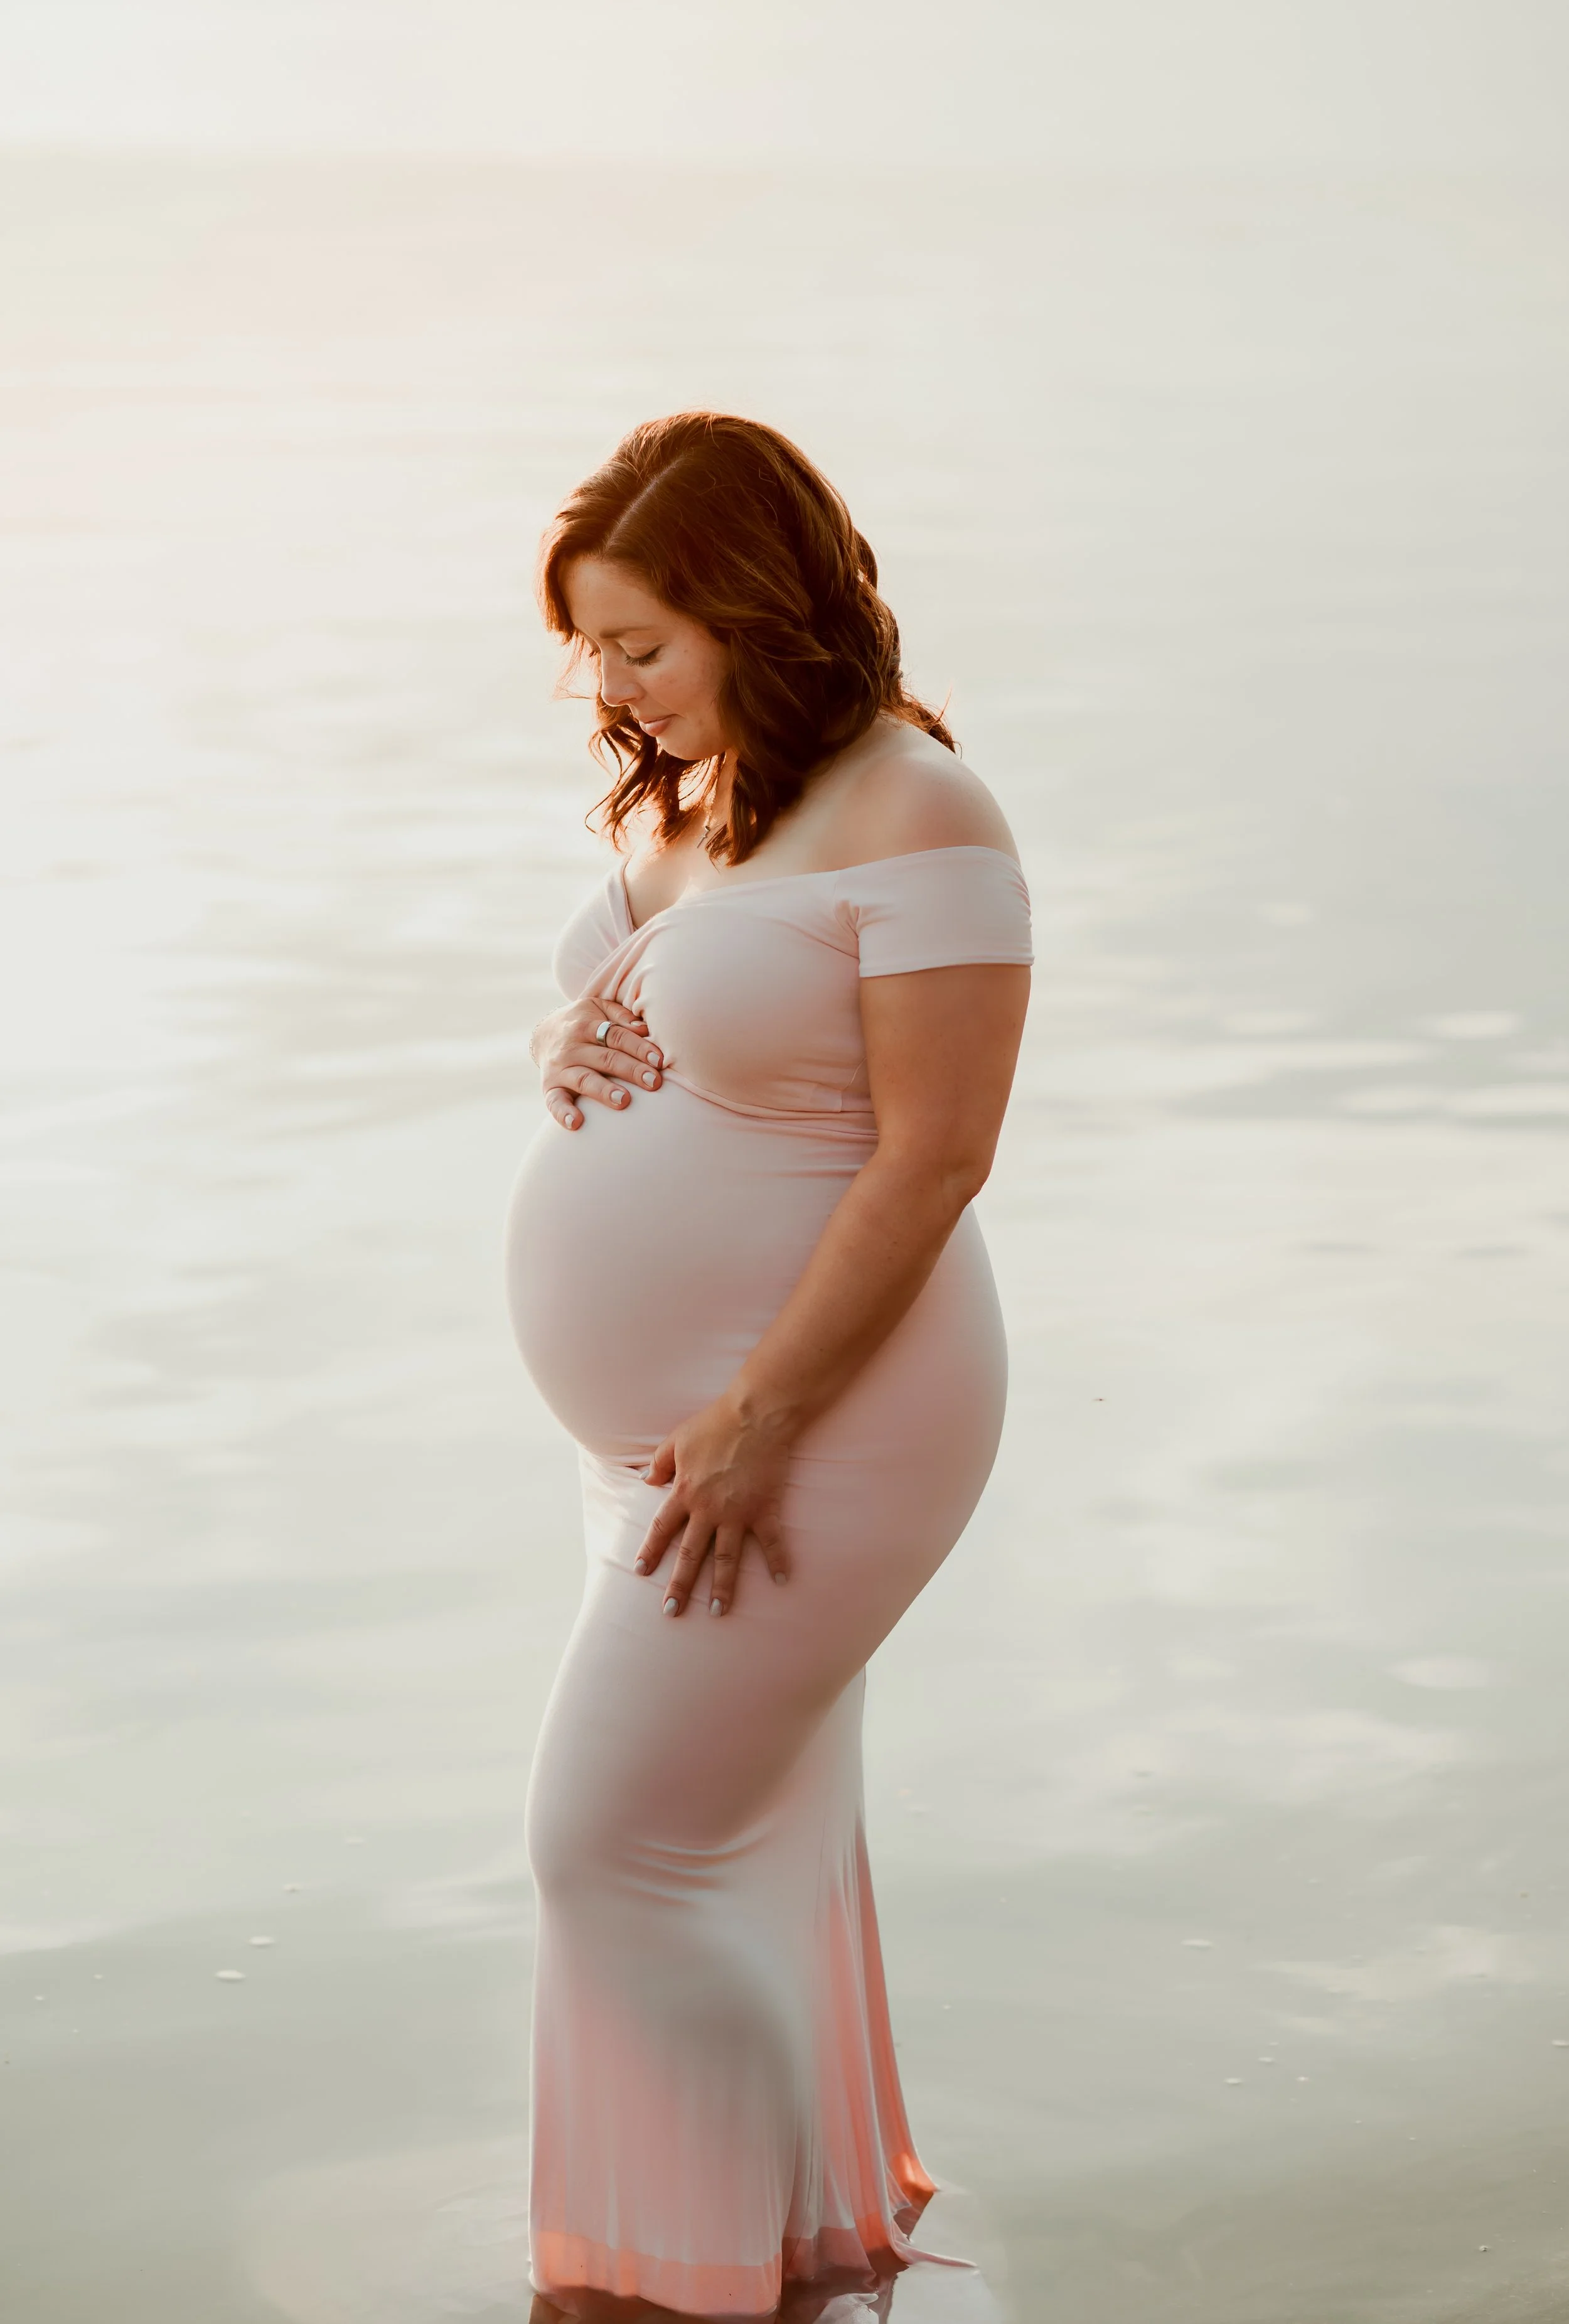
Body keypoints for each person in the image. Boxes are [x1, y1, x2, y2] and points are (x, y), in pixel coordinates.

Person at [505, 412, 1032, 2321]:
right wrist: (554, 1046)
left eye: (641, 640)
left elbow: (936, 1152)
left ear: (750, 605)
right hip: (664, 1423)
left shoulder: (919, 811)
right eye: (591, 647)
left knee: (606, 1844)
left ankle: (680, 2290)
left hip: (819, 1413)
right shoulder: (684, 794)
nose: (609, 685)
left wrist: (756, 1415)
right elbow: (653, 1002)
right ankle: (789, 2257)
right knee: (742, 1833)